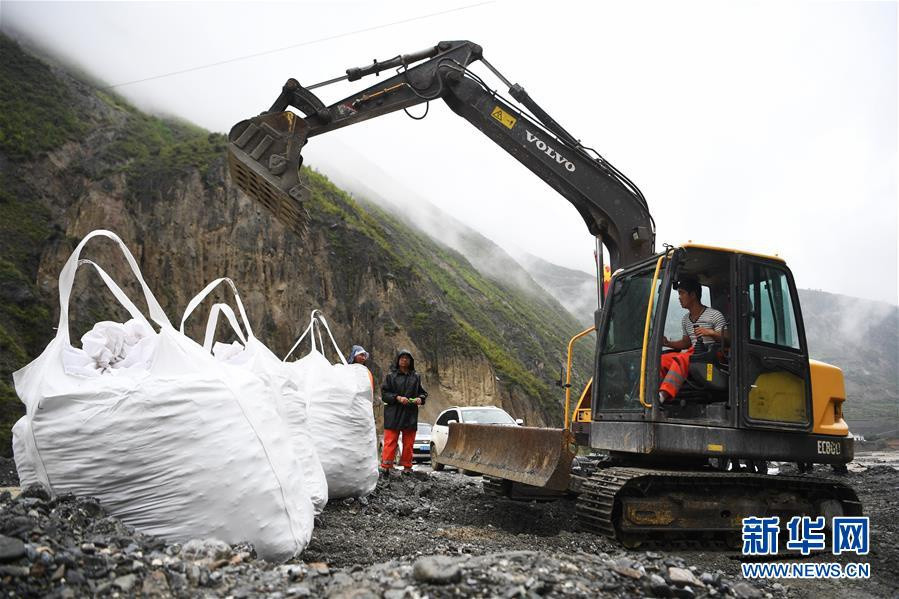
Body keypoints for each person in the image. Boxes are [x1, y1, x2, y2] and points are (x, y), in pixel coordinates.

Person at [659, 278, 728, 402]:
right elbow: (686, 343)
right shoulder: (686, 319)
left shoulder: (714, 315)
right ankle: (651, 392)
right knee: (661, 360)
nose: (679, 297)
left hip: (711, 356)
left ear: (693, 295)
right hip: (693, 352)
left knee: (683, 358)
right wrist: (668, 343)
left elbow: (728, 339)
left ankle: (663, 394)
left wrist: (711, 333)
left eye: (681, 293)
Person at [380, 349, 427, 475]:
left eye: (407, 358)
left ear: (411, 361)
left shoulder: (416, 377)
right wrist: (398, 398)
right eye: (402, 358)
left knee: (409, 442)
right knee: (390, 440)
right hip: (393, 413)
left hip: (409, 413)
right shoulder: (391, 376)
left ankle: (407, 466)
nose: (404, 360)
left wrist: (420, 399)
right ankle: (386, 466)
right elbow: (384, 394)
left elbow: (423, 393)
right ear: (398, 360)